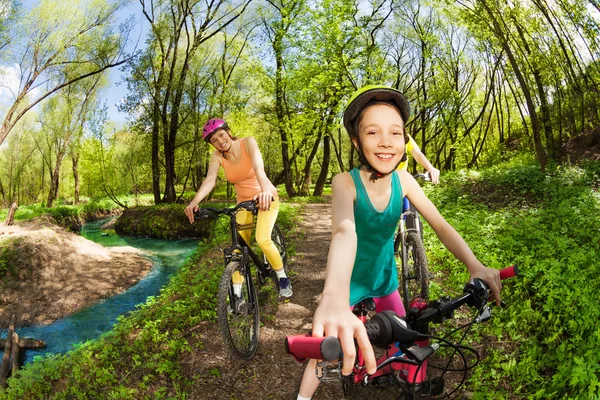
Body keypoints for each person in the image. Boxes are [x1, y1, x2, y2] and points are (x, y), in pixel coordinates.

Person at [296, 85, 501, 400]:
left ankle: (400, 375)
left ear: (404, 140)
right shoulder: (345, 183)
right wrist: (333, 296)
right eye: (373, 132)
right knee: (326, 347)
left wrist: (474, 264)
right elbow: (344, 232)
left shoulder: (403, 181)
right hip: (347, 283)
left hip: (384, 279)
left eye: (395, 133)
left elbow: (441, 225)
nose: (385, 142)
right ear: (356, 141)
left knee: (413, 339)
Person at [184, 118, 292, 298]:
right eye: (214, 140)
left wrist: (264, 191)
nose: (219, 141)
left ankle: (282, 277)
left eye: (221, 135)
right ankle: (237, 293)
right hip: (243, 203)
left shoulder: (248, 142)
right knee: (238, 247)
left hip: (266, 196)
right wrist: (194, 201)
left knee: (263, 238)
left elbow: (259, 168)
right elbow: (210, 179)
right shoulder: (217, 156)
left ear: (228, 131)